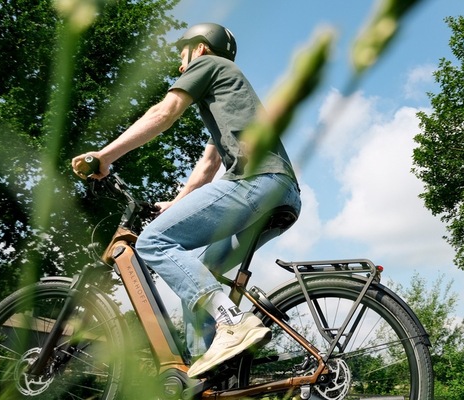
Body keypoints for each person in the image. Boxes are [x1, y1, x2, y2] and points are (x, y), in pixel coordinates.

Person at [71, 22, 301, 378]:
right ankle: (207, 374)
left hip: (256, 182)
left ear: (201, 48)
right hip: (283, 192)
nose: (181, 64)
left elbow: (163, 113)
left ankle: (232, 322)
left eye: (183, 53)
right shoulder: (231, 98)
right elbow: (208, 165)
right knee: (199, 275)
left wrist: (104, 156)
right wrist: (177, 203)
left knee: (153, 241)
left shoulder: (210, 66)